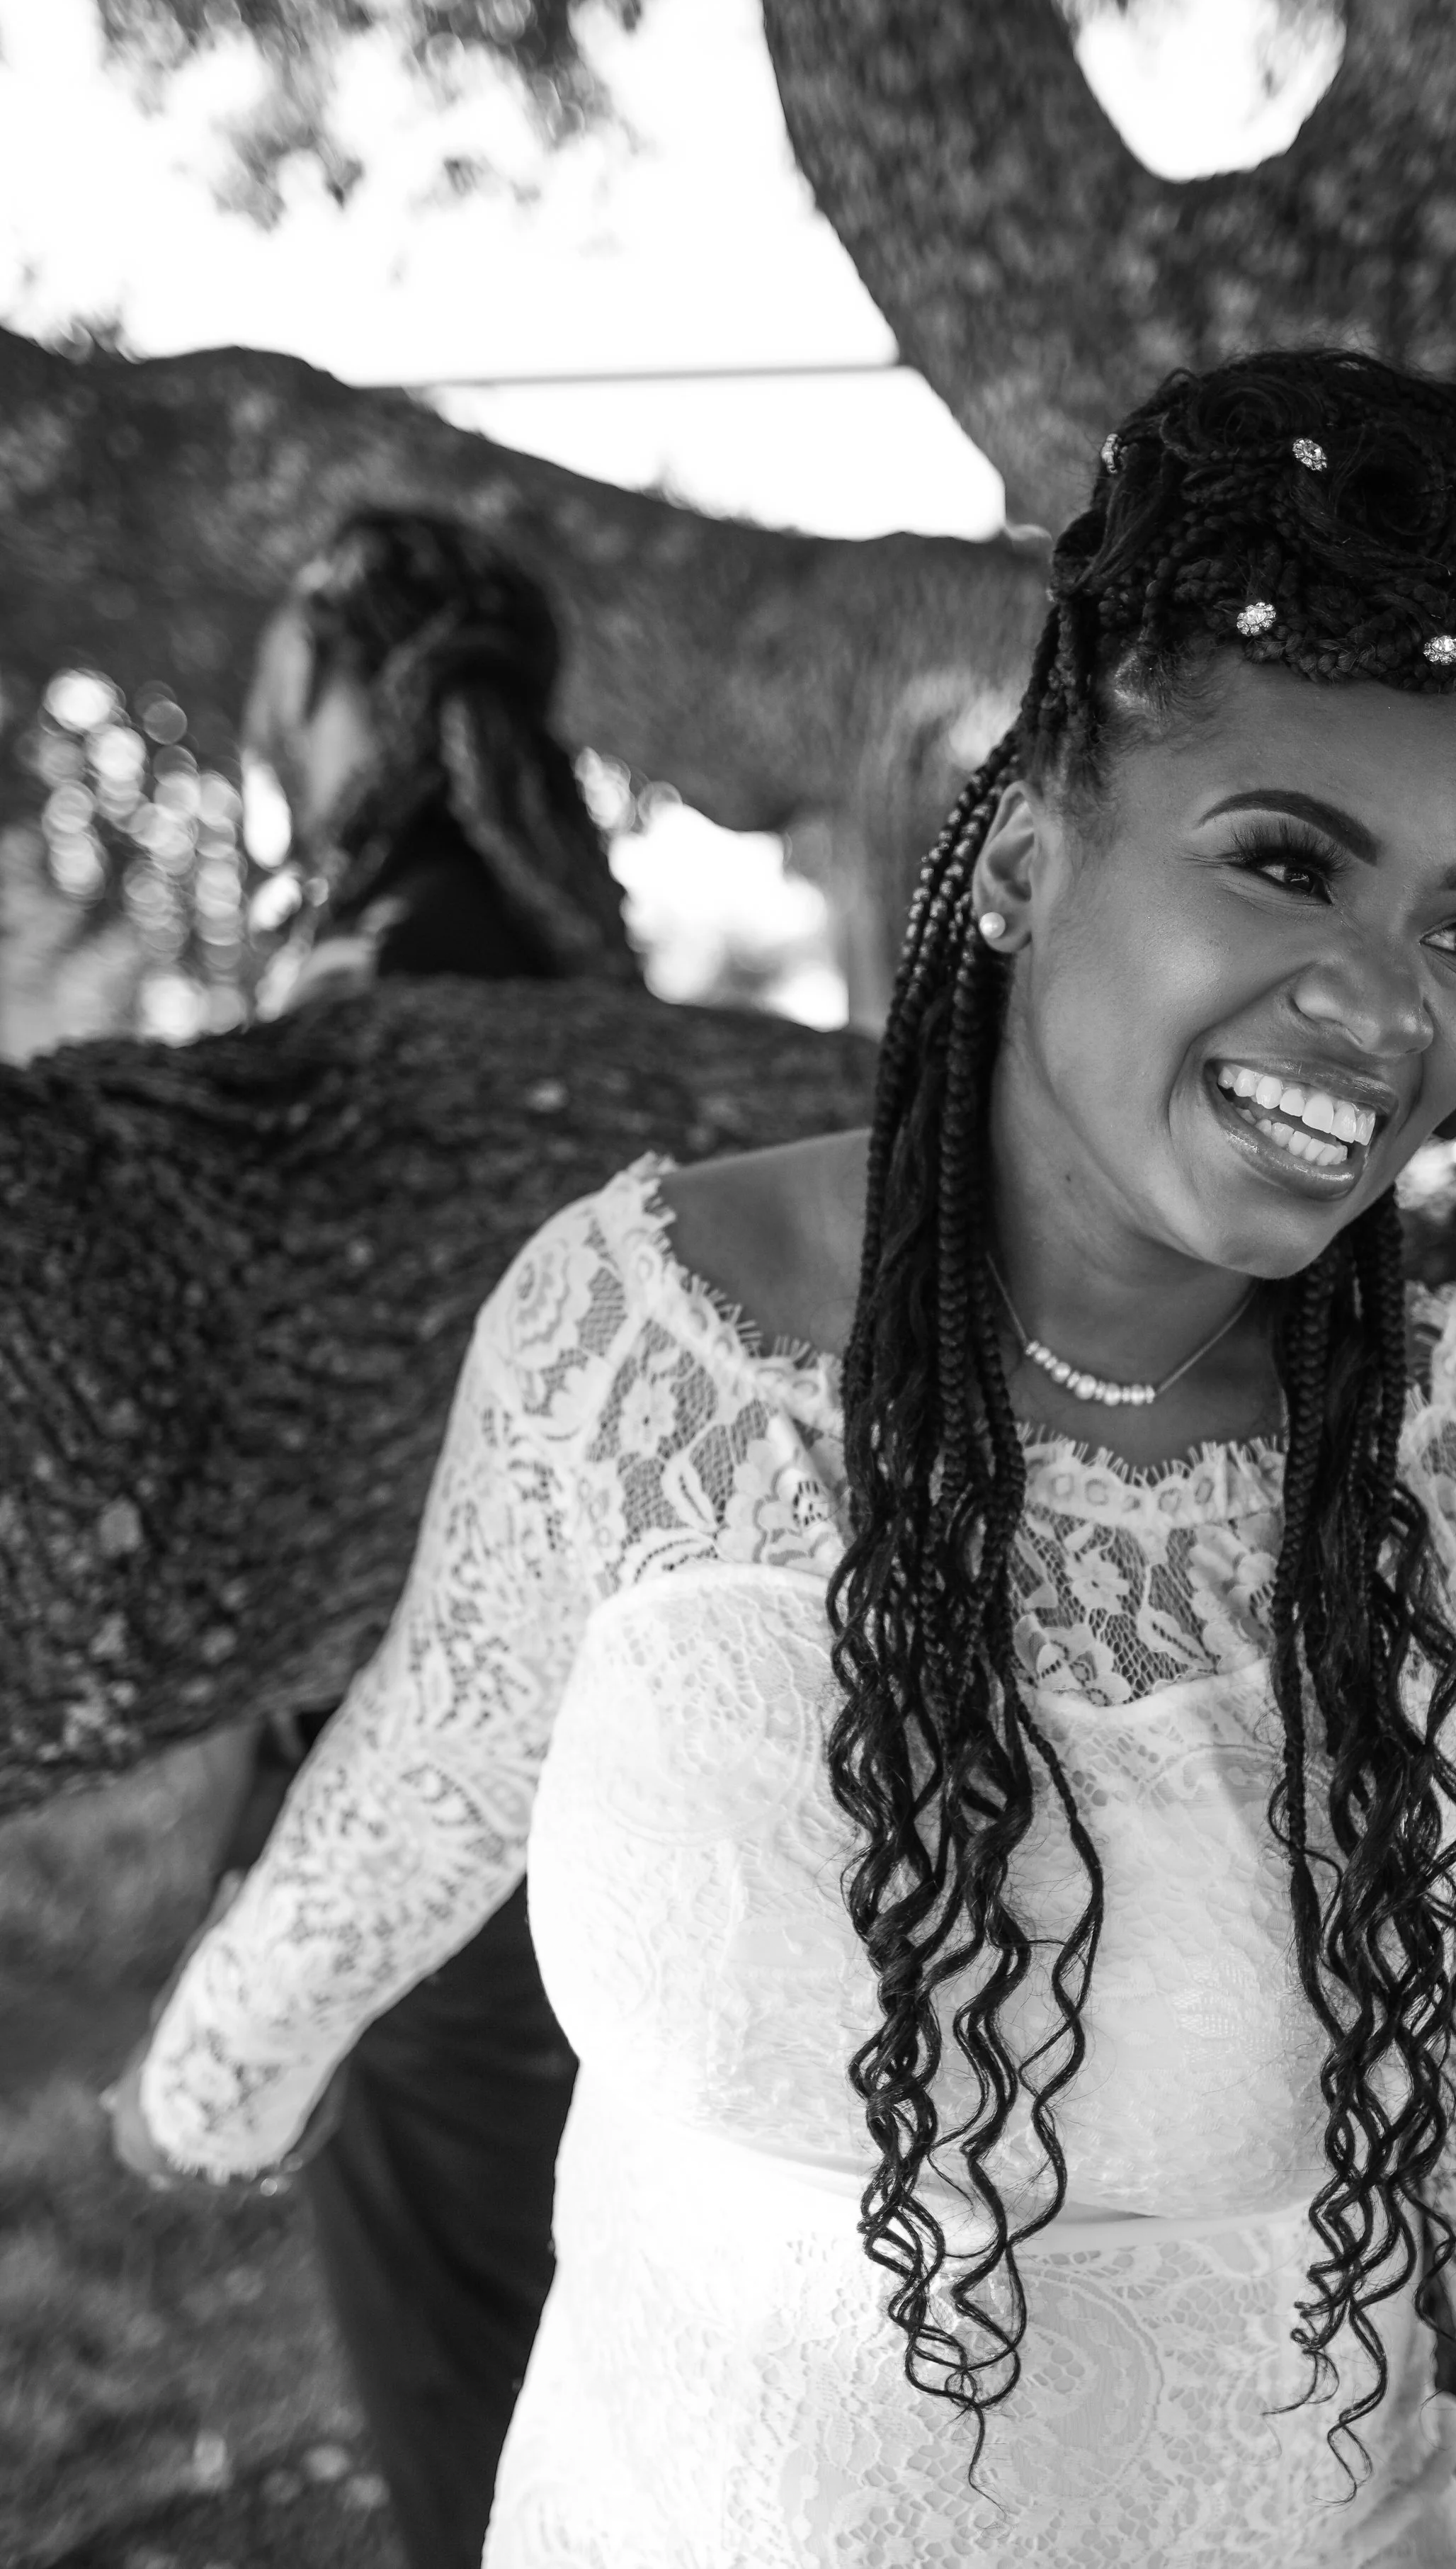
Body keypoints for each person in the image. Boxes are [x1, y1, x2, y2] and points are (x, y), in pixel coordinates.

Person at [112, 355, 1456, 2567]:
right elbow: (447, 1741)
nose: (1388, 1008)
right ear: (1023, 866)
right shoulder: (634, 1336)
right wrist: (212, 2076)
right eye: (1284, 862)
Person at [209, 509, 639, 2569]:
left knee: (475, 2400)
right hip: (601, 1770)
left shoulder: (375, 983)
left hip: (425, 1795)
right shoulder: (569, 968)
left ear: (339, 685)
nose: (258, 727)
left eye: (276, 685)